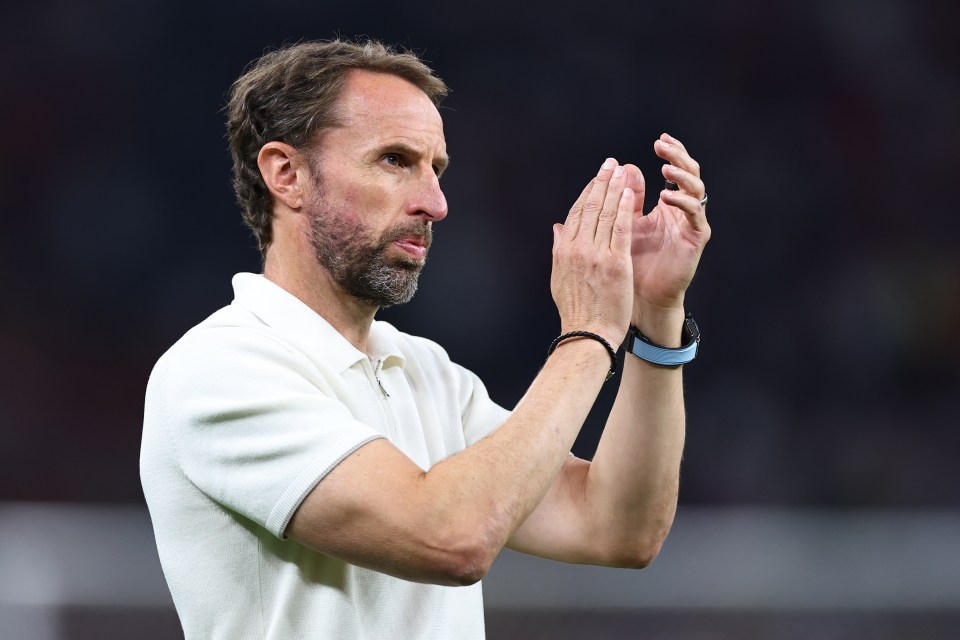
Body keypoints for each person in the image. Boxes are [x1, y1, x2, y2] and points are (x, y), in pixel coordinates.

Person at [140, 38, 711, 639]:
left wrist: (654, 314)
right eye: (394, 160)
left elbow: (616, 528)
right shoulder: (220, 367)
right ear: (287, 174)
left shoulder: (425, 373)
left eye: (435, 170)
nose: (436, 203)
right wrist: (590, 333)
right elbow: (454, 539)